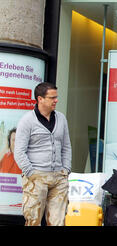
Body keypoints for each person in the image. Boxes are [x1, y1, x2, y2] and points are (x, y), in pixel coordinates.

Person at [14, 82, 72, 226]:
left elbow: (66, 146)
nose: (56, 100)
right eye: (52, 97)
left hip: (59, 177)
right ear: (40, 99)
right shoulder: (27, 120)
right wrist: (31, 173)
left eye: (56, 97)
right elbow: (19, 151)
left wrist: (66, 170)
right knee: (33, 220)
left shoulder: (61, 118)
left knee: (58, 222)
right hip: (36, 177)